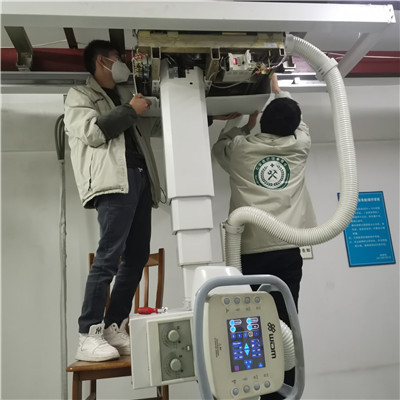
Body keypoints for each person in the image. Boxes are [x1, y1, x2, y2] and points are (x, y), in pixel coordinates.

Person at [212, 73, 316, 398]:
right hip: (287, 250)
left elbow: (219, 147)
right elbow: (300, 123)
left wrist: (243, 122)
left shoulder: (241, 149)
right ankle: (281, 393)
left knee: (249, 328)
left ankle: (250, 388)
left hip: (247, 253)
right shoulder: (299, 147)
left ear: (262, 123)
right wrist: (278, 90)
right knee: (285, 326)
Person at [64, 40, 162, 362]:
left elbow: (152, 127)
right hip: (113, 181)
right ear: (101, 62)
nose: (122, 64)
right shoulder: (80, 95)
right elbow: (92, 132)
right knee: (109, 255)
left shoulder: (123, 96)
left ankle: (113, 326)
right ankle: (87, 333)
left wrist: (207, 115)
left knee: (136, 256)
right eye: (117, 58)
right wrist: (129, 110)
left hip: (139, 179)